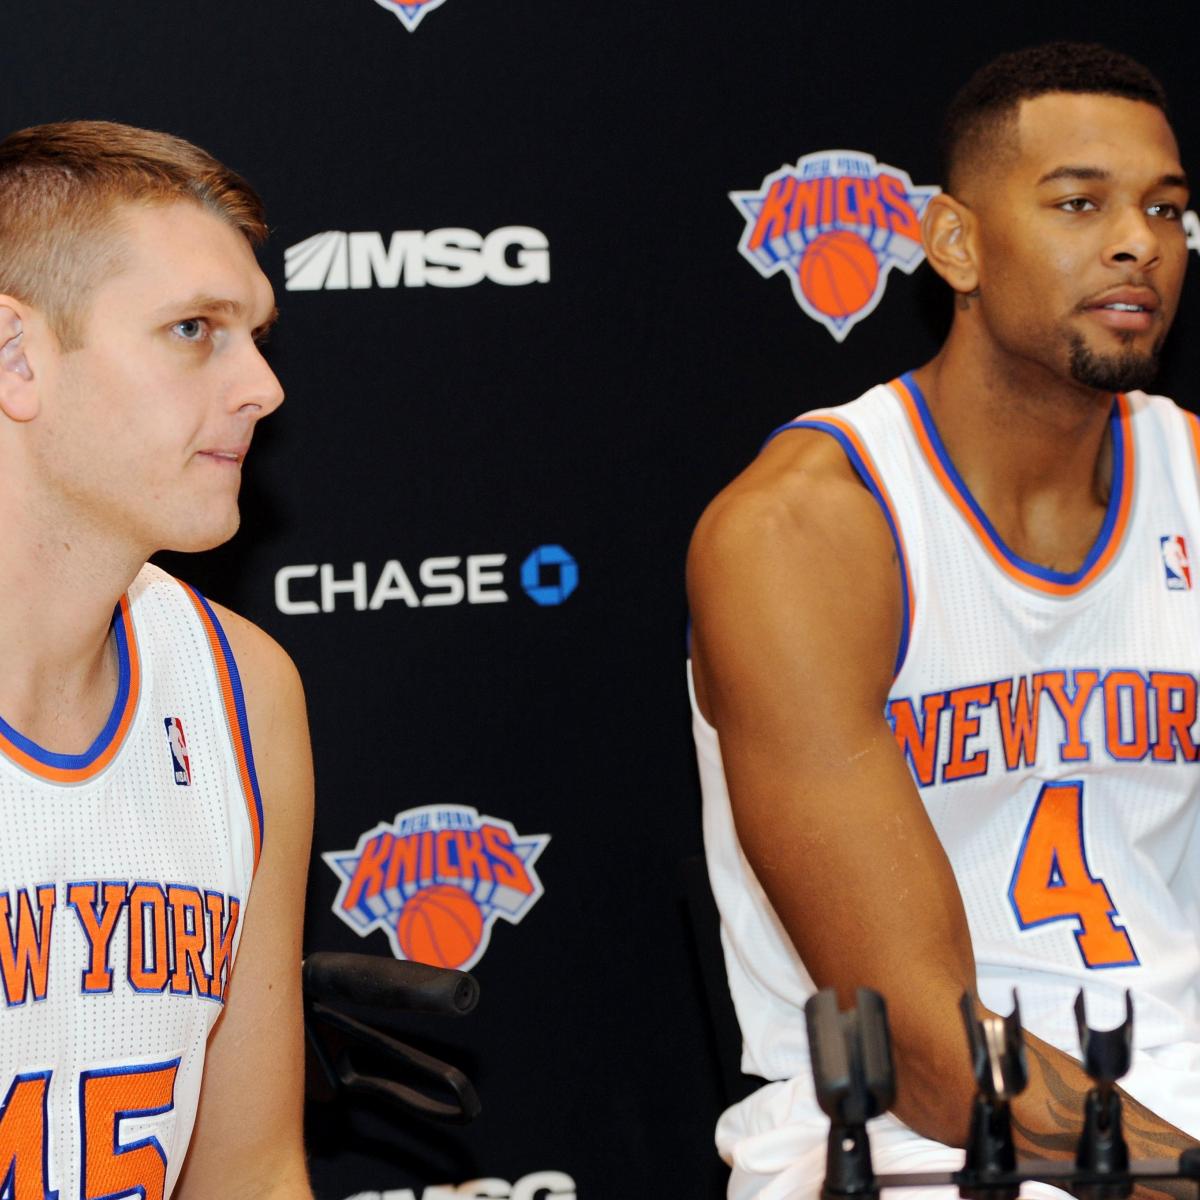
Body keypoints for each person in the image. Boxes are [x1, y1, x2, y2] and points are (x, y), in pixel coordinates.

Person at [687, 43, 1200, 1200]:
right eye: (1080, 202)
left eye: (1166, 209)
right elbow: (926, 1053)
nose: (1139, 243)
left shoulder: (1195, 482)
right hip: (906, 1144)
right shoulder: (807, 528)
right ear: (956, 242)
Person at [0, 121, 313, 1198]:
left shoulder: (241, 691)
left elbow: (254, 1175)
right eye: (194, 330)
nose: (262, 388)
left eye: (256, 334)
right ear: (14, 356)